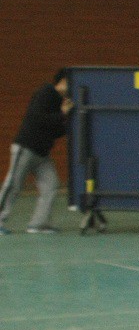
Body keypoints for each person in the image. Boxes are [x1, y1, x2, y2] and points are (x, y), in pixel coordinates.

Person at [0, 69, 70, 235]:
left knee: (51, 185)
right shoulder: (46, 92)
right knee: (13, 184)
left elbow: (55, 129)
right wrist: (62, 114)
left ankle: (39, 223)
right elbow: (39, 118)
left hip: (42, 154)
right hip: (26, 147)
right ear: (62, 81)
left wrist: (67, 121)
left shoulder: (61, 102)